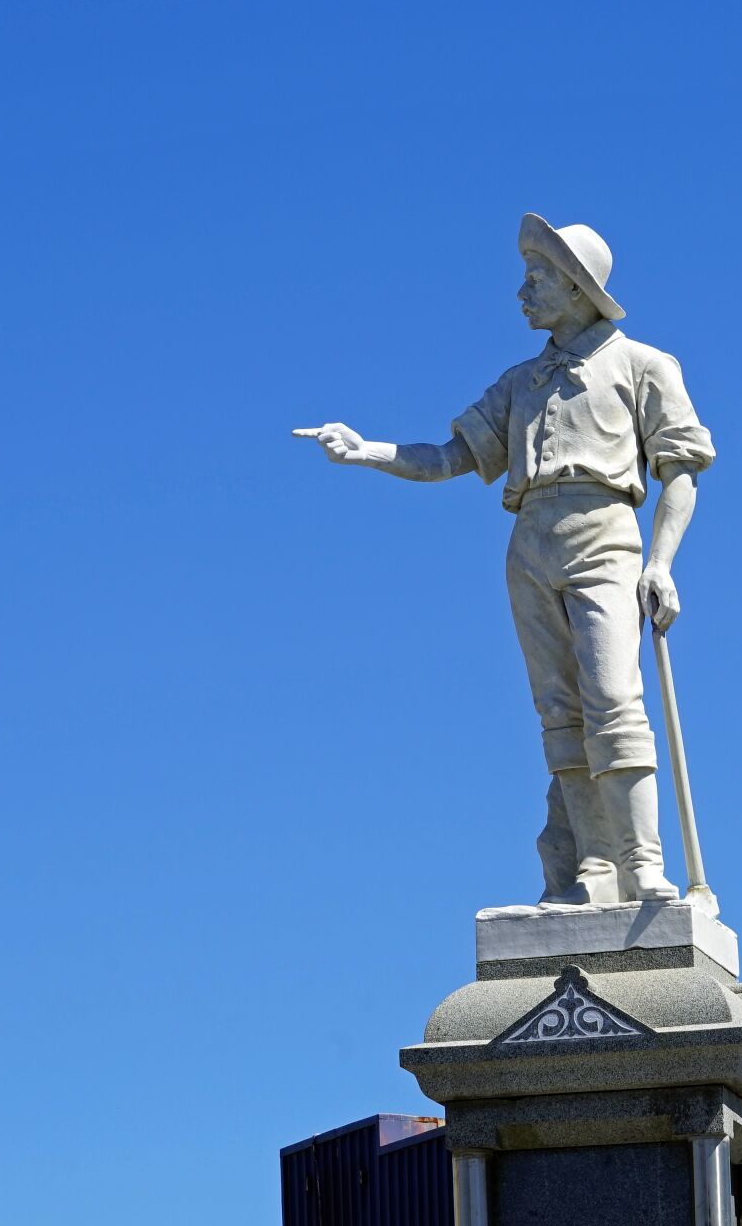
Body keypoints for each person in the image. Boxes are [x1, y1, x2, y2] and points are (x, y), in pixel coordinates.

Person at [293, 213, 714, 906]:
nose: (524, 290)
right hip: (528, 542)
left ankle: (643, 864)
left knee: (613, 699)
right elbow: (450, 458)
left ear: (578, 287)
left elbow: (683, 471)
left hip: (604, 529)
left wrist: (662, 562)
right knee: (560, 713)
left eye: (539, 276)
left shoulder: (643, 364)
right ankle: (595, 868)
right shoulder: (520, 382)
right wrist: (365, 449)